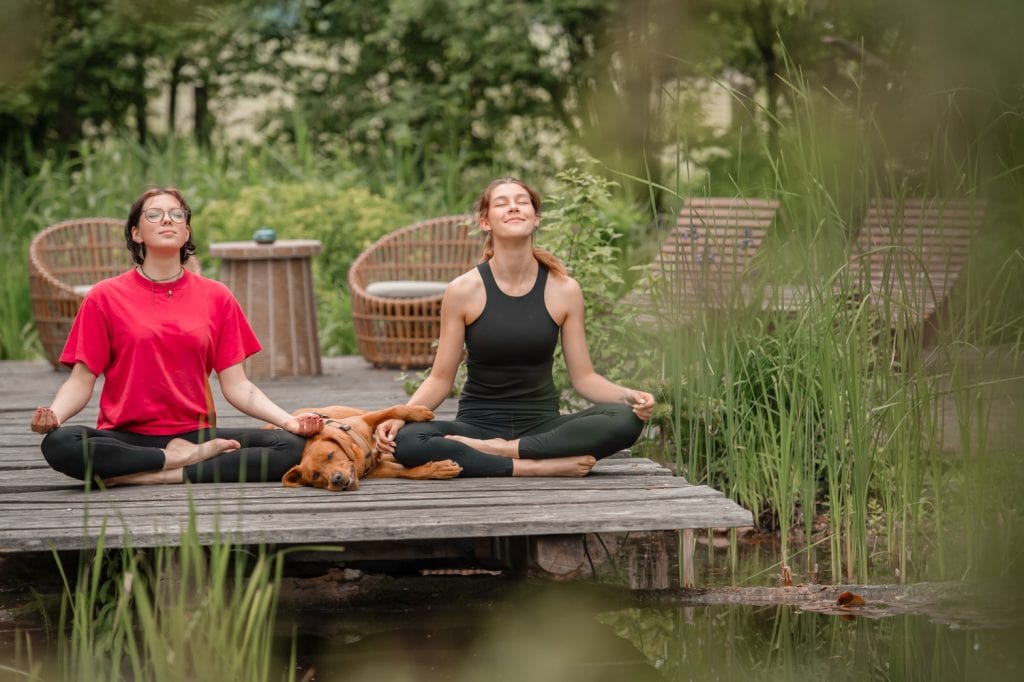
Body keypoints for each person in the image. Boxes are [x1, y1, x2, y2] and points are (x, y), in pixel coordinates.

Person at [30, 187, 324, 486]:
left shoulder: (216, 296)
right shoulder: (104, 296)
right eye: (154, 214)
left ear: (186, 233)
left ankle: (149, 475)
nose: (167, 219)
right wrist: (55, 415)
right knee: (60, 443)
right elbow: (81, 380)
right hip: (126, 438)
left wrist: (289, 421)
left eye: (176, 214)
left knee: (290, 446)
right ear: (136, 234)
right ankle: (174, 460)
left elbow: (238, 386)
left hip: (196, 434)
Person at [375, 177, 655, 477]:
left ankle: (504, 452)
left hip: (542, 425)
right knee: (407, 441)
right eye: (502, 203)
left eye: (522, 202)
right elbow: (440, 379)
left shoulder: (564, 290)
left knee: (625, 419)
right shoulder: (463, 290)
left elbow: (584, 378)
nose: (513, 207)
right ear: (485, 222)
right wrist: (401, 415)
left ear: (536, 218)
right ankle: (532, 466)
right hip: (476, 426)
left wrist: (629, 396)